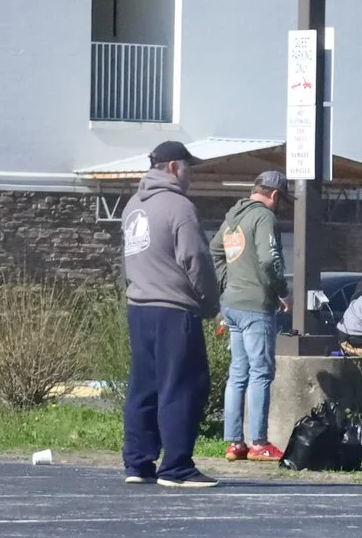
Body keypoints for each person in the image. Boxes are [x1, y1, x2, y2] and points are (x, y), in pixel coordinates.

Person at [120, 140, 221, 488]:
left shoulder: (133, 206)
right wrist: (210, 302)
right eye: (189, 168)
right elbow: (195, 259)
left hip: (139, 308)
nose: (190, 175)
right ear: (176, 168)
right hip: (174, 309)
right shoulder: (180, 207)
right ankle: (177, 467)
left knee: (143, 387)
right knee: (183, 386)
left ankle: (137, 462)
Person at [214, 170, 289, 462]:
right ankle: (258, 442)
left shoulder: (233, 216)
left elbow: (215, 249)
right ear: (275, 195)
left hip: (231, 305)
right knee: (261, 372)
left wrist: (227, 284)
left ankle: (235, 444)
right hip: (256, 307)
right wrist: (282, 292)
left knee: (238, 374)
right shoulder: (263, 217)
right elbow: (269, 259)